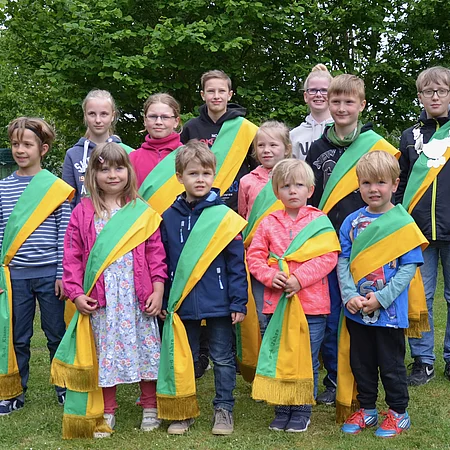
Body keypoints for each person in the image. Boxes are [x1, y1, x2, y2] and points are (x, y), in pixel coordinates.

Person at [305, 74, 399, 406]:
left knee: (365, 311)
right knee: (333, 314)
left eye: (349, 102)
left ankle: (367, 379)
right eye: (336, 101)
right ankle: (334, 377)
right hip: (328, 243)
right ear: (328, 104)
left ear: (362, 105)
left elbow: (391, 195)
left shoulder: (376, 146)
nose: (342, 108)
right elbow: (310, 196)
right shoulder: (317, 148)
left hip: (368, 244)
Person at [62, 142, 167, 436]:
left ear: (129, 172)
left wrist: (158, 289)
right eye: (104, 169)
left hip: (136, 296)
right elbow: (72, 256)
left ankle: (149, 405)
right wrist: (76, 293)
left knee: (146, 350)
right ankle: (107, 410)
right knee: (105, 353)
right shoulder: (83, 212)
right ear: (92, 175)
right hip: (103, 298)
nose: (112, 175)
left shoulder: (141, 211)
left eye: (119, 168)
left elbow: (155, 253)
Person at [160, 141, 248, 436]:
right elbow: (163, 260)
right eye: (193, 173)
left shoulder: (224, 217)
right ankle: (183, 410)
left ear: (214, 176)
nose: (200, 179)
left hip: (219, 301)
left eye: (206, 173)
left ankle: (224, 408)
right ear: (179, 177)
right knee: (183, 358)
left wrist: (238, 302)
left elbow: (236, 264)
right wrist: (165, 297)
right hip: (181, 303)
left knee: (222, 358)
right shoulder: (168, 217)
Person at [247, 159, 338, 432]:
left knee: (305, 357)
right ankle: (282, 407)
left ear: (310, 190)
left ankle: (301, 409)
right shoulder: (268, 222)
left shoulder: (320, 221)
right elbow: (255, 257)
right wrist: (269, 276)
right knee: (279, 355)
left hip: (312, 305)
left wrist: (300, 279)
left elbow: (328, 257)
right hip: (275, 304)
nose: (293, 191)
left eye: (299, 185)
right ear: (277, 192)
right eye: (286, 186)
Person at [338, 151, 424, 437]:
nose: (373, 189)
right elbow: (343, 260)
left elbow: (408, 268)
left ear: (395, 184)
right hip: (356, 309)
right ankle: (367, 409)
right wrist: (349, 294)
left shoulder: (402, 223)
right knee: (361, 363)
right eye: (366, 183)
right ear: (358, 185)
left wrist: (383, 298)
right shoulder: (351, 222)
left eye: (380, 182)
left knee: (391, 365)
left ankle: (398, 412)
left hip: (390, 312)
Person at [181, 69, 258, 377]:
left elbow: (254, 167)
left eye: (221, 91)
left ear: (230, 94)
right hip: (198, 211)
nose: (216, 96)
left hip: (232, 211)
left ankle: (233, 350)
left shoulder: (244, 128)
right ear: (202, 94)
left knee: (230, 274)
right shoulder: (191, 127)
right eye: (210, 91)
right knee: (199, 276)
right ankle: (201, 352)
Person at [0, 117, 73, 415]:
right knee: (17, 337)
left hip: (49, 275)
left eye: (27, 144)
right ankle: (14, 391)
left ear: (42, 149)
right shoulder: (3, 188)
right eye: (15, 144)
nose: (20, 150)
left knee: (56, 334)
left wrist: (61, 274)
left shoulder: (55, 188)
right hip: (14, 276)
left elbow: (64, 234)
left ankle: (65, 388)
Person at [396, 66, 450, 386]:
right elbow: (400, 184)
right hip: (418, 232)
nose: (435, 96)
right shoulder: (410, 136)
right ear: (420, 96)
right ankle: (422, 360)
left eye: (441, 90)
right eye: (428, 91)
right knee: (420, 296)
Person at [238, 120, 292, 334]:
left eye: (273, 145)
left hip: (288, 253)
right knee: (262, 313)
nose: (266, 150)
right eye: (261, 145)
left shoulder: (295, 177)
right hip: (258, 256)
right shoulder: (247, 181)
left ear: (287, 148)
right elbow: (244, 216)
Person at [62, 89, 133, 208]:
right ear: (85, 115)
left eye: (104, 114)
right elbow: (69, 201)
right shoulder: (73, 154)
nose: (98, 120)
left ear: (112, 116)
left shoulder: (127, 152)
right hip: (83, 218)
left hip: (120, 217)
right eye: (92, 114)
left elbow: (132, 192)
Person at [130, 93, 182, 188]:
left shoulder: (188, 156)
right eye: (153, 116)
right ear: (145, 120)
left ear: (176, 121)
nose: (158, 122)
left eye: (165, 117)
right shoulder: (133, 158)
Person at [290, 64, 334, 160]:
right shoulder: (294, 135)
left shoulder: (341, 131)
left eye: (324, 90)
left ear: (332, 95)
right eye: (313, 90)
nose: (318, 94)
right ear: (305, 96)